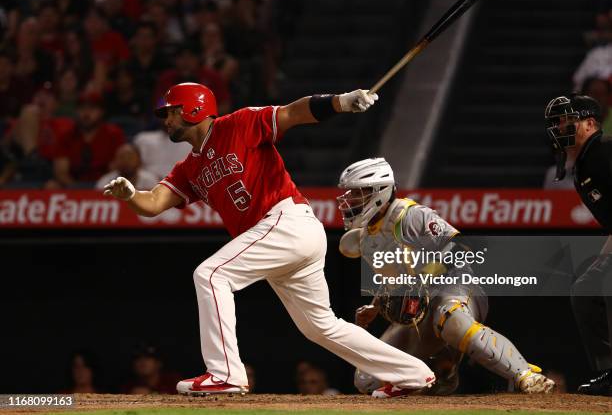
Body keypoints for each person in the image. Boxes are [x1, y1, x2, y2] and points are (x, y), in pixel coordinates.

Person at [103, 82, 436, 398]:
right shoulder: (188, 168)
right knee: (320, 327)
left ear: (193, 109)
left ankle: (225, 374)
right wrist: (131, 194)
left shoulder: (238, 124)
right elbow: (154, 204)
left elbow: (293, 113)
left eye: (170, 111)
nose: (165, 119)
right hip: (281, 237)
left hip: (285, 220)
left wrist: (341, 102)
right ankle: (411, 373)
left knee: (212, 274)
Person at [336, 158, 555, 396]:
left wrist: (423, 278)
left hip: (455, 287)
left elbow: (461, 248)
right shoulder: (368, 240)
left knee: (452, 321)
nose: (351, 201)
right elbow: (395, 281)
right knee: (367, 378)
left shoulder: (409, 215)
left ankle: (526, 376)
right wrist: (376, 306)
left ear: (378, 192)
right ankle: (443, 372)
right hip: (420, 309)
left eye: (357, 193)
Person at [544, 94, 612, 395]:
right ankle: (609, 371)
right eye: (557, 122)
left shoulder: (605, 151)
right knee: (587, 286)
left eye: (566, 120)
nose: (560, 127)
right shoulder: (585, 162)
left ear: (589, 123)